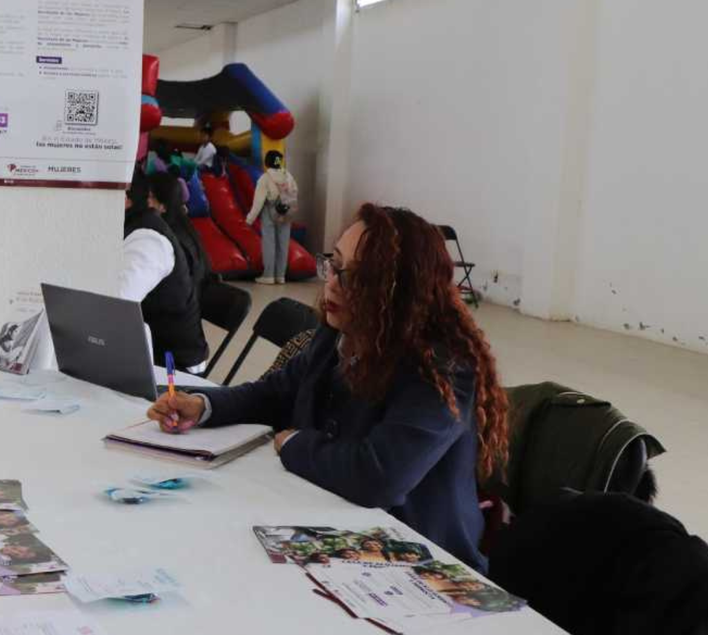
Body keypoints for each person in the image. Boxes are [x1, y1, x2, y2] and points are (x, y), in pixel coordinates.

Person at [148, 204, 508, 571]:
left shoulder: (441, 370)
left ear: (399, 292)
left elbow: (379, 477)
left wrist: (293, 443)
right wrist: (203, 405)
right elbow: (275, 392)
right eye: (333, 265)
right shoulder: (338, 334)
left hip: (418, 560)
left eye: (355, 277)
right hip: (338, 528)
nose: (332, 284)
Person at [121, 170, 209, 372]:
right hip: (155, 349)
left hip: (172, 365)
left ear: (126, 198)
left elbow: (116, 304)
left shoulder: (149, 239)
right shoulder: (138, 226)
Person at [148, 167, 209, 290]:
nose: (146, 202)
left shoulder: (167, 238)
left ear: (163, 207)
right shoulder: (184, 226)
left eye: (150, 197)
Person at [246, 149, 299, 284]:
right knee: (283, 244)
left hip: (270, 210)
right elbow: (295, 191)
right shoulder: (288, 176)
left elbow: (258, 202)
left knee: (269, 243)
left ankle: (268, 275)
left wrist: (249, 219)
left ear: (267, 162)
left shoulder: (265, 178)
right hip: (286, 210)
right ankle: (281, 276)